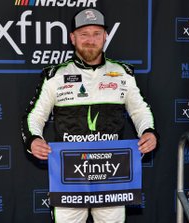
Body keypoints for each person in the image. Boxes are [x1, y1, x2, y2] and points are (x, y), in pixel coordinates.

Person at [21, 8, 158, 223]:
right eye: (84, 34)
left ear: (105, 37)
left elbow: (140, 110)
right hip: (69, 177)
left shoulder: (123, 74)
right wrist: (33, 139)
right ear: (73, 38)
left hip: (112, 176)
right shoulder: (55, 76)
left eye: (96, 34)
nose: (90, 40)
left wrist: (148, 131)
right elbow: (34, 116)